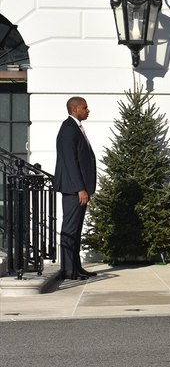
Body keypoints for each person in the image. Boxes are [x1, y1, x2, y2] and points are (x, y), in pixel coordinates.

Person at [54, 96, 97, 281]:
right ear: (75, 109)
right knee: (70, 230)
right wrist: (80, 188)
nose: (88, 110)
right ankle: (68, 270)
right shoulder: (68, 129)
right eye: (85, 108)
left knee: (76, 230)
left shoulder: (75, 127)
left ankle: (76, 267)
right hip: (73, 190)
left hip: (78, 189)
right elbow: (71, 163)